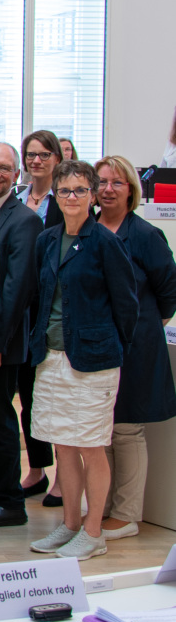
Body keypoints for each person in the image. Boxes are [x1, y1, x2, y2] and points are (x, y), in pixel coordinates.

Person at [28, 160, 137, 560]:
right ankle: (70, 524)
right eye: (64, 191)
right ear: (55, 195)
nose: (71, 197)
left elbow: (127, 305)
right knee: (63, 445)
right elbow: (40, 298)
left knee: (91, 446)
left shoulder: (105, 241)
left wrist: (109, 347)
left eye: (79, 190)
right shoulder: (47, 239)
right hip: (51, 356)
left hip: (93, 360)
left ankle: (93, 532)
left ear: (92, 196)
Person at [94, 156, 176, 542]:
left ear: (132, 190)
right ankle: (104, 506)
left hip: (137, 347)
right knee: (102, 431)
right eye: (102, 182)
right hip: (99, 347)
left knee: (126, 430)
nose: (108, 189)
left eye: (117, 182)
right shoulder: (88, 230)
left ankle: (126, 514)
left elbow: (168, 292)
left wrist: (142, 325)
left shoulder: (144, 235)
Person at [0, 143, 43, 530]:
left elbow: (17, 289)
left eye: (4, 168)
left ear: (17, 175)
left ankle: (8, 500)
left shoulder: (24, 221)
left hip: (0, 344)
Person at [16, 129, 65, 504]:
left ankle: (64, 478)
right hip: (20, 310)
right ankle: (35, 469)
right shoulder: (19, 198)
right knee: (27, 395)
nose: (36, 161)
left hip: (50, 310)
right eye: (31, 154)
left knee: (53, 396)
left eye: (44, 154)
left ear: (56, 159)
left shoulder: (64, 200)